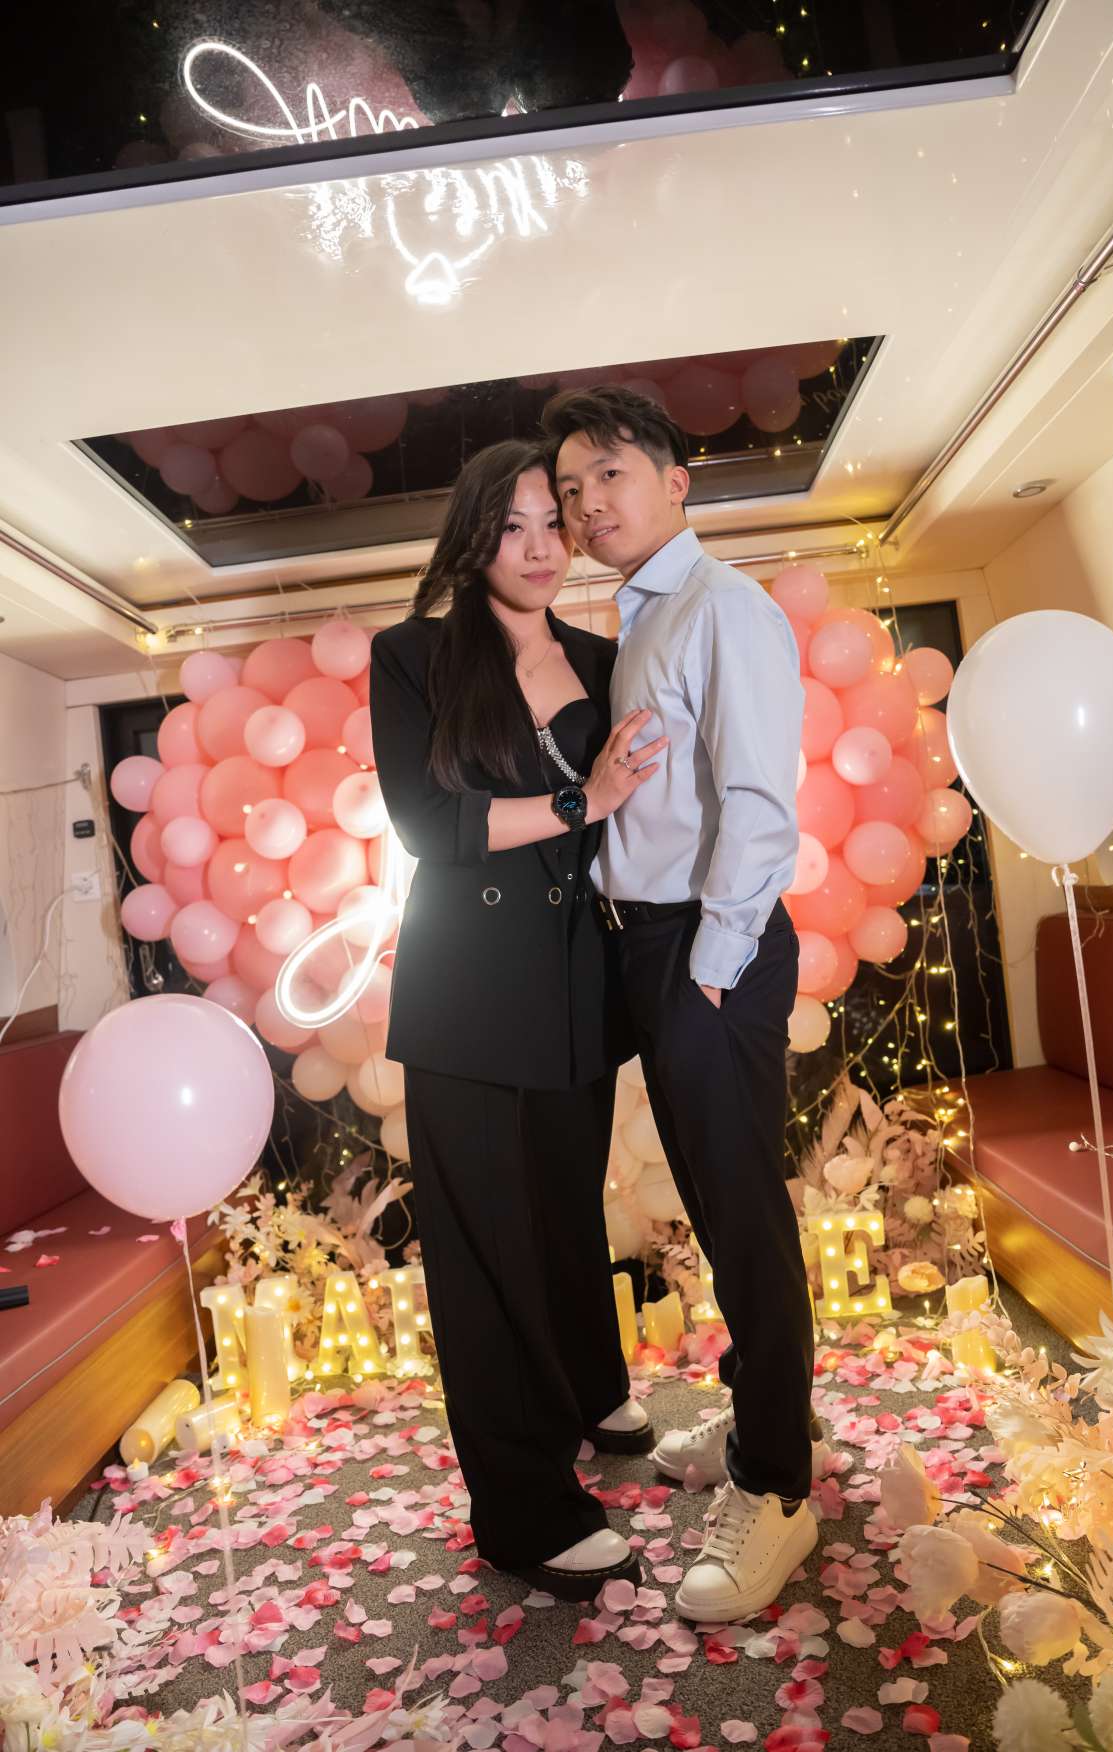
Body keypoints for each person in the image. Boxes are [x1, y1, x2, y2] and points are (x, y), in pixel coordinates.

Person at [368, 438, 669, 1601]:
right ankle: (524, 1514)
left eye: (556, 521)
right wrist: (582, 798)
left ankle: (589, 1393)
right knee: (488, 1255)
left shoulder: (602, 655)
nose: (542, 547)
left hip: (576, 983)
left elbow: (639, 816)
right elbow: (428, 827)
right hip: (466, 994)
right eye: (513, 526)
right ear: (472, 537)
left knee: (562, 1215)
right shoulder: (415, 657)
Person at [544, 386, 821, 1624]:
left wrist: (711, 962)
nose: (586, 505)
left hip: (708, 948)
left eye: (607, 475)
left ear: (674, 482)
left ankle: (778, 1486)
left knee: (744, 1220)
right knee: (718, 1207)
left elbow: (759, 800)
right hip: (659, 950)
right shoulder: (642, 617)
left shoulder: (723, 607)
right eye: (568, 490)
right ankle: (766, 1415)